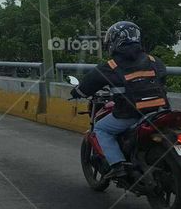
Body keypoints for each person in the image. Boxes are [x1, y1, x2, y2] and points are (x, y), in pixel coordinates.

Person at [71, 21, 170, 179]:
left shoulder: (111, 66)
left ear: (115, 40)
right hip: (159, 111)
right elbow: (162, 79)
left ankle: (118, 165)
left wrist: (77, 92)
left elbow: (88, 84)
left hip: (130, 113)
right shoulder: (154, 61)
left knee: (101, 129)